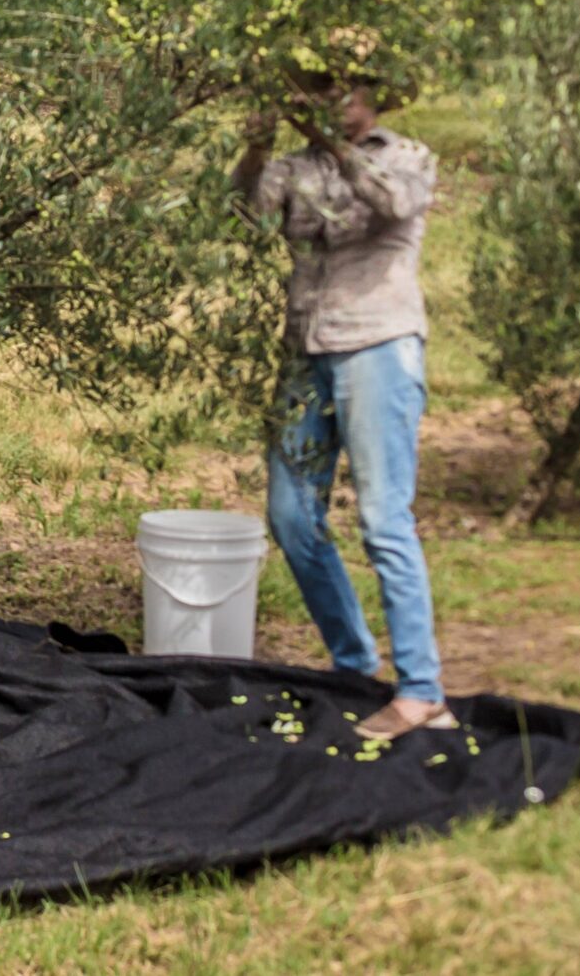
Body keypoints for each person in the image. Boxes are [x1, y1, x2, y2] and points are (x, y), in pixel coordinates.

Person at [232, 54, 449, 739]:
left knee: (385, 517)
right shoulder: (298, 165)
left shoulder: (407, 155)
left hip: (378, 344)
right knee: (291, 515)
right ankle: (354, 664)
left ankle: (421, 691)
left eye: (340, 89)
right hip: (306, 349)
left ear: (371, 95)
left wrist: (330, 142)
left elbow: (395, 203)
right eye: (317, 89)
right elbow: (248, 216)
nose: (328, 99)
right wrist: (259, 143)